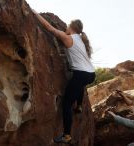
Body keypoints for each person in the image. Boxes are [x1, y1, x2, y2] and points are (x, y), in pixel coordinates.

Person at [32, 9, 96, 144]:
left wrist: (33, 12)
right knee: (79, 84)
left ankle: (67, 135)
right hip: (91, 74)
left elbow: (48, 27)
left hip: (81, 75)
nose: (65, 28)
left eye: (67, 26)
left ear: (71, 28)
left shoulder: (68, 37)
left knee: (66, 104)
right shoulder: (80, 39)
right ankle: (78, 105)